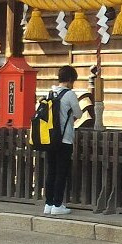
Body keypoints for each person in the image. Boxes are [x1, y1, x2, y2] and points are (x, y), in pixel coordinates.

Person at [44, 65, 83, 215]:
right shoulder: (69, 94)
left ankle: (48, 204)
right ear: (70, 80)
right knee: (62, 172)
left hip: (50, 139)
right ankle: (58, 204)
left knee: (51, 171)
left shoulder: (50, 93)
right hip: (64, 139)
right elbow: (79, 114)